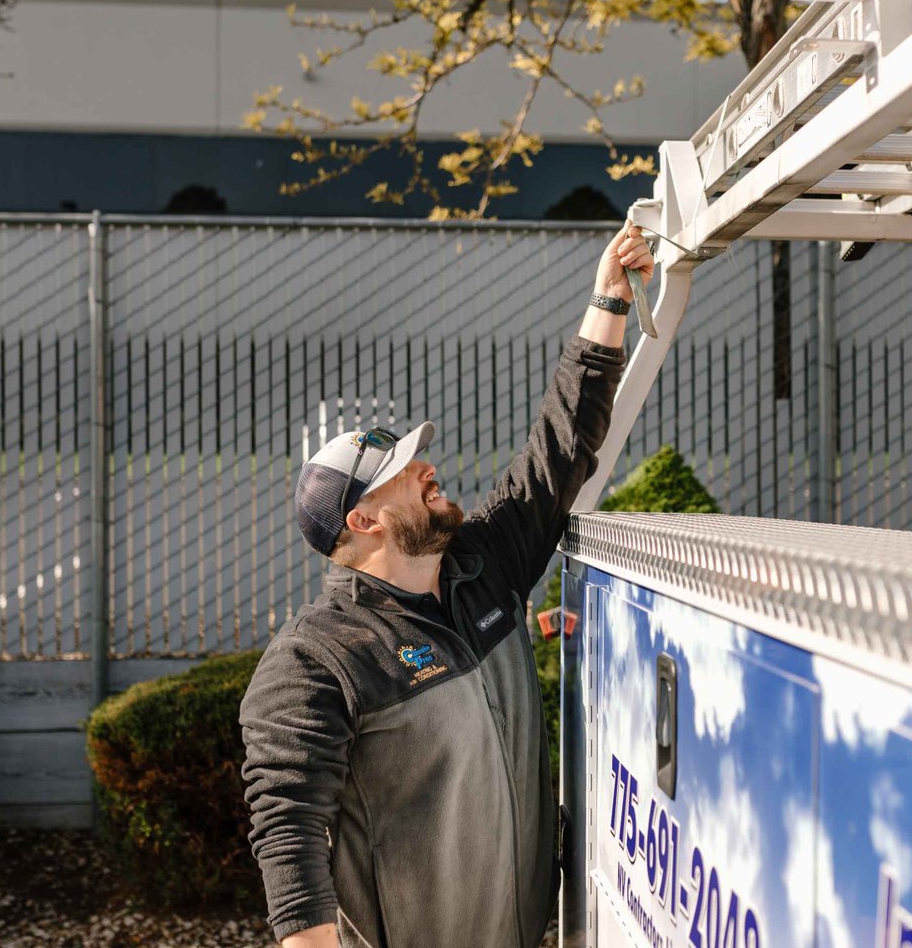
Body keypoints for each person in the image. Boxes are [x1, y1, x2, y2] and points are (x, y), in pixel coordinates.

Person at [239, 225, 656, 948]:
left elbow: (559, 448)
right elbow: (288, 833)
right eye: (404, 471)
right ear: (363, 518)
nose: (428, 470)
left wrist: (609, 297)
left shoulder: (480, 567)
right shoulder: (318, 658)